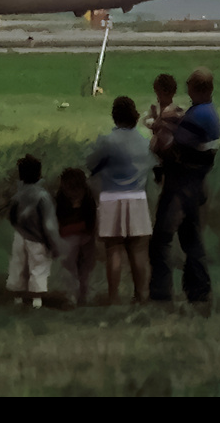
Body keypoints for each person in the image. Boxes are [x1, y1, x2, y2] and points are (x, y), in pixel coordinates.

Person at [150, 68, 220, 304]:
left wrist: (159, 134)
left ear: (195, 88)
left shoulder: (197, 116)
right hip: (197, 184)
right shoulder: (209, 113)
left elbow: (174, 148)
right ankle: (199, 290)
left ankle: (161, 292)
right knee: (192, 239)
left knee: (161, 239)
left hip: (181, 186)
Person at [87, 96, 155, 303]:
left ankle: (114, 296)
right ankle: (141, 294)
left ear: (114, 116)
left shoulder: (107, 141)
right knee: (138, 249)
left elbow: (91, 164)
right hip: (137, 197)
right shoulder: (144, 141)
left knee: (113, 249)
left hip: (111, 197)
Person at [7, 154, 62, 308]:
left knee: (18, 265)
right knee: (38, 266)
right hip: (38, 239)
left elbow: (11, 216)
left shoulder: (17, 196)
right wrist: (55, 245)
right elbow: (49, 224)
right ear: (39, 174)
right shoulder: (43, 196)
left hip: (19, 235)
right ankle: (37, 301)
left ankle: (17, 298)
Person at [54, 167, 97, 306]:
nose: (74, 194)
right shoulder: (60, 199)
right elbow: (58, 219)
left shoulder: (88, 198)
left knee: (86, 267)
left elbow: (92, 222)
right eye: (69, 190)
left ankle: (84, 295)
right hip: (69, 238)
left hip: (86, 238)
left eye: (77, 191)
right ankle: (72, 295)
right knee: (69, 265)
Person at [143, 73, 184, 182]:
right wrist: (153, 123)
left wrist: (165, 125)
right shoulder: (154, 108)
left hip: (170, 147)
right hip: (157, 146)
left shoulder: (176, 111)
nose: (159, 97)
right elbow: (146, 120)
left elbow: (180, 127)